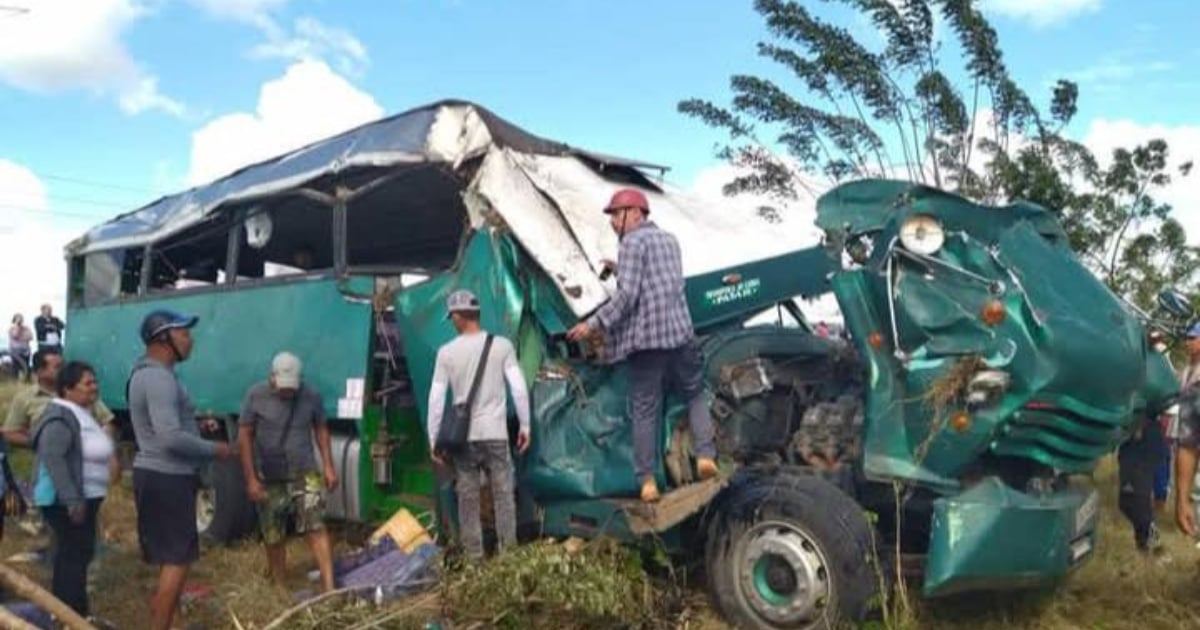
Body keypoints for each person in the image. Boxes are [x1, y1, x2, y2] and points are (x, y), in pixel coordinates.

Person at [566, 188, 718, 503]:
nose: (612, 222)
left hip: (649, 341)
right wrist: (619, 267)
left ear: (636, 213)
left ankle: (646, 481)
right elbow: (659, 279)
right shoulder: (670, 240)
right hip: (681, 334)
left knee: (645, 409)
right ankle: (706, 456)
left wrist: (592, 324)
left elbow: (627, 297)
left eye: (616, 214)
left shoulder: (632, 242)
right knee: (694, 392)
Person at [127, 309, 235, 630]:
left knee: (170, 558)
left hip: (159, 474)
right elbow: (171, 438)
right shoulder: (159, 378)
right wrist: (217, 449)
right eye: (184, 333)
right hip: (167, 476)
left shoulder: (149, 374)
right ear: (163, 339)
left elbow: (167, 424)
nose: (191, 340)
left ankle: (173, 624)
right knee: (178, 560)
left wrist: (198, 424)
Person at [427, 290, 531, 559]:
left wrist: (433, 439)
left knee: (468, 501)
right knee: (504, 497)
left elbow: (436, 399)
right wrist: (525, 426)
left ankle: (475, 561)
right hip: (496, 435)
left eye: (452, 317)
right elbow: (519, 389)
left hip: (465, 440)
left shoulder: (447, 353)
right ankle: (509, 557)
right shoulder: (502, 346)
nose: (452, 321)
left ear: (460, 317)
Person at [238, 352, 338, 591]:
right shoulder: (255, 395)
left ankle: (330, 586)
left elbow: (321, 429)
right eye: (283, 388)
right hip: (270, 477)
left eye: (292, 388)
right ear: (272, 377)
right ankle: (280, 586)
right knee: (273, 534)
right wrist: (251, 479)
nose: (287, 393)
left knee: (315, 527)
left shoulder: (311, 396)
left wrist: (328, 466)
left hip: (306, 473)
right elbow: (244, 436)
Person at [30, 361, 112, 618]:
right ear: (67, 389)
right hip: (64, 501)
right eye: (88, 383)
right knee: (72, 557)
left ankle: (74, 614)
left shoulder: (78, 411)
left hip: (80, 499)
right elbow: (54, 458)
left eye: (95, 381)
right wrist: (72, 500)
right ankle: (69, 615)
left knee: (77, 554)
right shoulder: (60, 416)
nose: (94, 387)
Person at [1173, 323, 1200, 538]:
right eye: (1187, 337)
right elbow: (1187, 444)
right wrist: (1182, 500)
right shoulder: (1191, 383)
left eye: (1193, 337)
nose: (1188, 342)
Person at [8, 314, 33, 382]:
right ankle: (14, 382)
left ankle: (27, 381)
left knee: (26, 366)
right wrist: (17, 327)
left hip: (25, 351)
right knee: (15, 368)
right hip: (15, 351)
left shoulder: (27, 328)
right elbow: (15, 335)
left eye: (21, 318)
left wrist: (21, 338)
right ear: (14, 320)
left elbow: (30, 337)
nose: (20, 320)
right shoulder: (11, 329)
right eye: (18, 319)